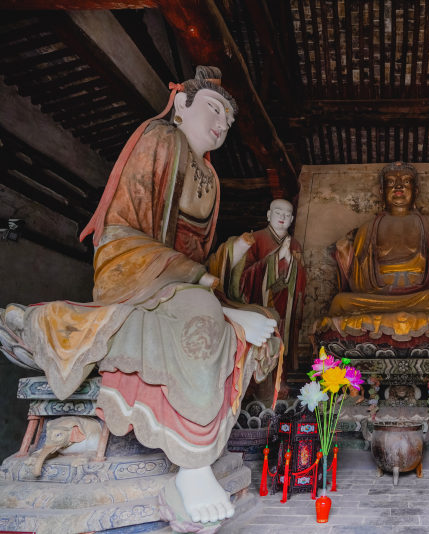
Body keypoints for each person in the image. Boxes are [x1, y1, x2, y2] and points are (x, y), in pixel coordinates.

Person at [0, 66, 280, 525]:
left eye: (228, 122)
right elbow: (120, 233)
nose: (221, 126)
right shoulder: (158, 138)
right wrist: (202, 284)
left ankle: (206, 438)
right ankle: (191, 466)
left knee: (258, 315)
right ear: (183, 105)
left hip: (178, 281)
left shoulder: (211, 177)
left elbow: (200, 257)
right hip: (134, 272)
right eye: (214, 110)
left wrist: (214, 290)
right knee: (204, 315)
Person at [315, 162, 429, 341]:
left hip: (421, 297)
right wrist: (345, 254)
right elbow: (359, 283)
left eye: (406, 182)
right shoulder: (367, 229)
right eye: (391, 182)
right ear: (382, 192)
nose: (398, 186)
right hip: (378, 299)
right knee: (340, 303)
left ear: (416, 191)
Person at [207, 198, 306, 405]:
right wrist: (275, 260)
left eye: (287, 215)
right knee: (261, 338)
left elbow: (302, 277)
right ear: (269, 215)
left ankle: (281, 381)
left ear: (292, 219)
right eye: (278, 212)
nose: (282, 217)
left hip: (285, 303)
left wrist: (290, 264)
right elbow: (242, 275)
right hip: (258, 300)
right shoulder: (256, 238)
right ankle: (255, 387)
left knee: (283, 339)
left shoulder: (295, 243)